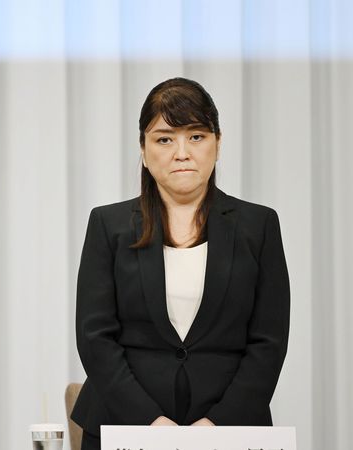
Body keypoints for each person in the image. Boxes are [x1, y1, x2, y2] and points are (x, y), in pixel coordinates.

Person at [70, 77, 289, 449]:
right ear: (143, 149)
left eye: (197, 136)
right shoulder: (108, 225)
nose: (182, 153)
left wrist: (216, 425)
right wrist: (150, 425)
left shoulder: (259, 225)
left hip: (232, 429)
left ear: (218, 144)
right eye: (165, 139)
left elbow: (269, 341)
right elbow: (95, 338)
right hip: (125, 425)